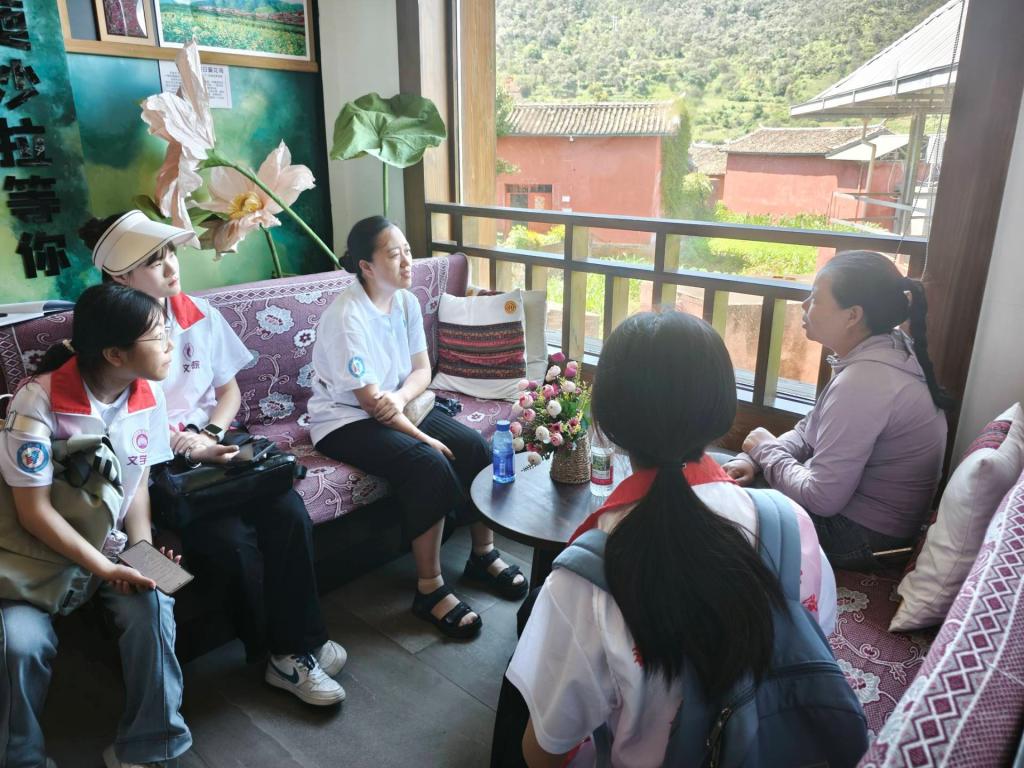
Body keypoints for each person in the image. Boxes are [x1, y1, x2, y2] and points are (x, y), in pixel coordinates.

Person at [505, 311, 836, 767]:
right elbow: (818, 637)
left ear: (610, 422)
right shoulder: (791, 524)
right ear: (722, 408)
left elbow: (544, 750)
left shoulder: (588, 578)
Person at [81, 210, 346, 706]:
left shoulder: (198, 313)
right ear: (121, 278)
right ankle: (284, 655)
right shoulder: (113, 339)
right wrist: (186, 445)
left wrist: (209, 434)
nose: (171, 267)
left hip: (219, 443)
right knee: (232, 543)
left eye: (170, 254)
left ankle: (300, 645)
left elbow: (229, 392)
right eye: (153, 262)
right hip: (161, 464)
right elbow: (125, 422)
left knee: (289, 513)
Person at [308, 216, 528, 640]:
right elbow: (371, 406)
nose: (408, 261)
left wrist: (403, 398)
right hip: (345, 420)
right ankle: (429, 589)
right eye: (395, 255)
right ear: (366, 266)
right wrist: (425, 438)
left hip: (401, 404)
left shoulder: (405, 302)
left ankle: (482, 555)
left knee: (473, 448)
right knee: (428, 464)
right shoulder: (346, 318)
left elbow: (422, 371)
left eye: (407, 251)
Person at [0, 283, 191, 768]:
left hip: (110, 544)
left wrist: (141, 555)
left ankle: (148, 747)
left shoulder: (148, 393)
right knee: (19, 643)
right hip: (36, 553)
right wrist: (107, 570)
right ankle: (21, 758)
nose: (171, 345)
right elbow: (33, 512)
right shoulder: (36, 401)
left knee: (157, 603)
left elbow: (136, 488)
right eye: (159, 336)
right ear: (114, 353)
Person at [723, 251, 951, 570]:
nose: (804, 305)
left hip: (862, 537)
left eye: (816, 298)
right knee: (720, 472)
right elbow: (809, 430)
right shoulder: (884, 349)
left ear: (852, 315)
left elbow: (822, 498)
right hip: (868, 523)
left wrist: (765, 451)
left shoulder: (865, 380)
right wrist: (752, 459)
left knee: (715, 500)